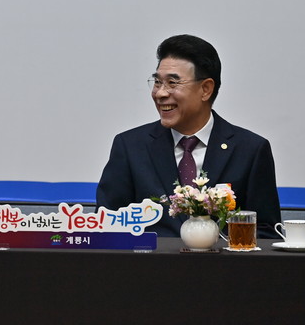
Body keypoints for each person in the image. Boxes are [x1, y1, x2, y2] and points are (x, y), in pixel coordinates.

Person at [96, 34, 281, 238]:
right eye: (157, 82)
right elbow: (107, 225)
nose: (160, 93)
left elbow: (267, 232)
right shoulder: (130, 147)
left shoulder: (250, 150)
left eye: (172, 83)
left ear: (205, 89)